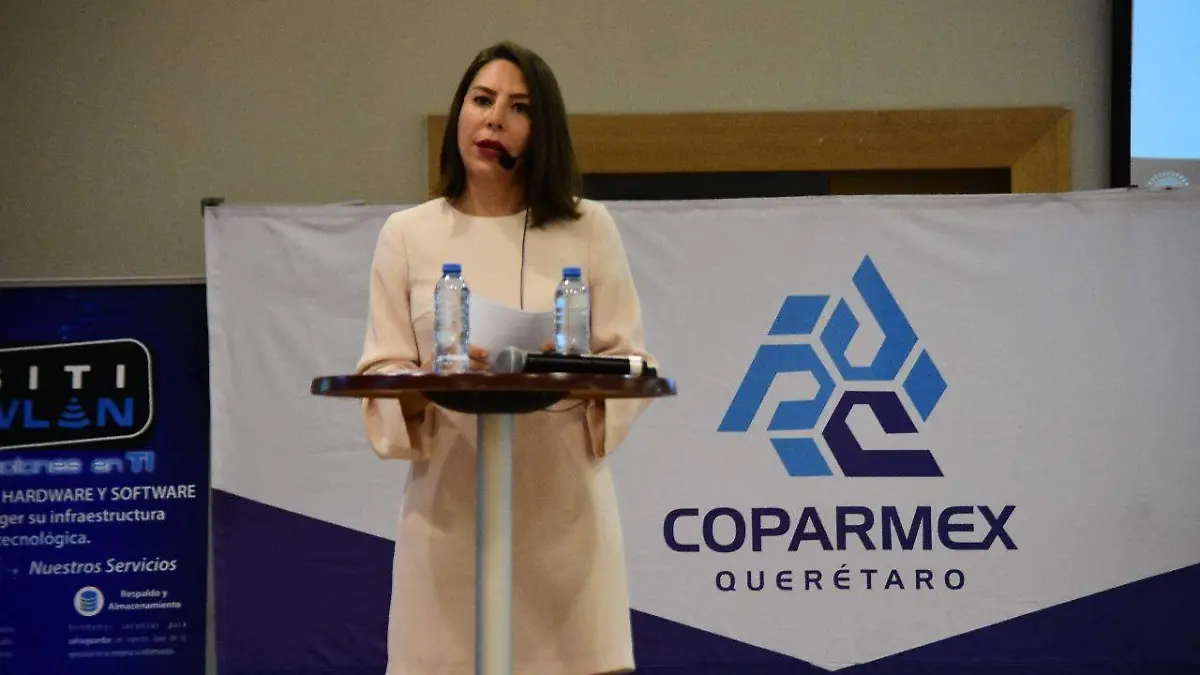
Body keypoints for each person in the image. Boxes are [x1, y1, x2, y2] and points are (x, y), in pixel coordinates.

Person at [354, 41, 654, 675]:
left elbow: (627, 358)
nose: (493, 120)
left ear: (543, 132)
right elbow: (381, 368)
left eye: (518, 108)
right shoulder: (407, 234)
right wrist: (436, 374)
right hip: (448, 520)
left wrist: (561, 367)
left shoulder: (587, 228)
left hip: (564, 517)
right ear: (459, 113)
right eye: (481, 100)